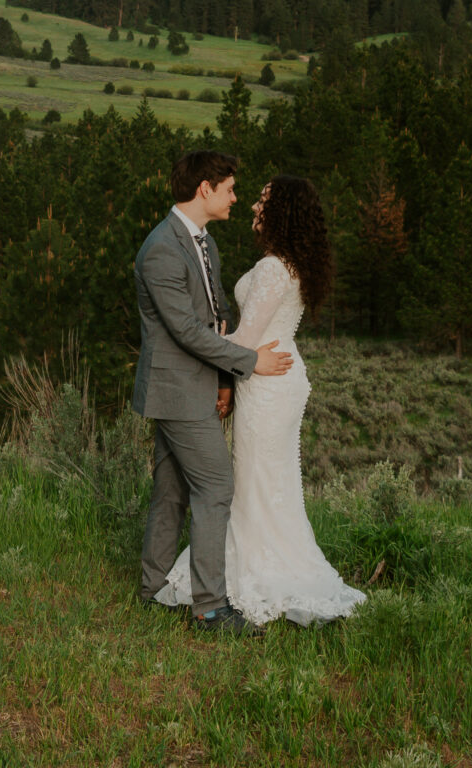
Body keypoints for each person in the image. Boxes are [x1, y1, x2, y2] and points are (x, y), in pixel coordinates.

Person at [154, 175, 367, 626]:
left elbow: (248, 338)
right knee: (272, 482)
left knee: (253, 482)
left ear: (282, 212)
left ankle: (253, 576)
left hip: (267, 380)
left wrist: (220, 355)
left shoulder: (273, 267)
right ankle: (258, 568)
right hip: (274, 373)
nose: (253, 206)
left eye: (263, 201)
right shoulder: (291, 262)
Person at [133, 151, 293, 636]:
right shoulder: (161, 248)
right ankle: (209, 608)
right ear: (204, 188)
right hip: (177, 388)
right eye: (229, 189)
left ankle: (152, 588)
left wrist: (224, 382)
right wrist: (250, 364)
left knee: (172, 491)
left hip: (199, 385)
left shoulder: (204, 244)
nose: (235, 197)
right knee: (216, 487)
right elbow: (185, 330)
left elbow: (217, 315)